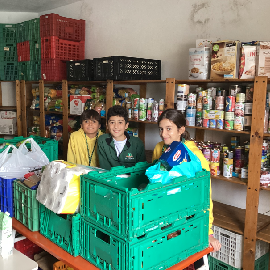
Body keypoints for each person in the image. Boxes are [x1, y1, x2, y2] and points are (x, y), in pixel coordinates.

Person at [152, 109, 221, 269]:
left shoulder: (195, 156)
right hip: (163, 217)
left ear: (181, 129)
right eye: (161, 129)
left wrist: (208, 231)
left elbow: (205, 195)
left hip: (187, 220)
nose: (163, 134)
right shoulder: (159, 148)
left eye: (169, 129)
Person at [98, 105, 146, 170]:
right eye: (112, 122)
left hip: (132, 180)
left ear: (126, 125)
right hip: (110, 179)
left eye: (120, 122)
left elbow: (141, 170)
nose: (116, 126)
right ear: (107, 125)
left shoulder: (137, 143)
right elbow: (105, 169)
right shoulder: (102, 141)